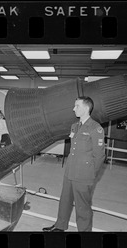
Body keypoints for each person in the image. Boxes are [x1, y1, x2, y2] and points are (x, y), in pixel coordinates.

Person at [42, 96, 105, 232]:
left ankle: (84, 231)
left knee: (83, 206)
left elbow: (99, 156)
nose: (73, 109)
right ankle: (60, 226)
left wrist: (91, 174)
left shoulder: (96, 128)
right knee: (65, 200)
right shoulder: (74, 126)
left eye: (77, 106)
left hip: (84, 173)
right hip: (70, 171)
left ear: (86, 108)